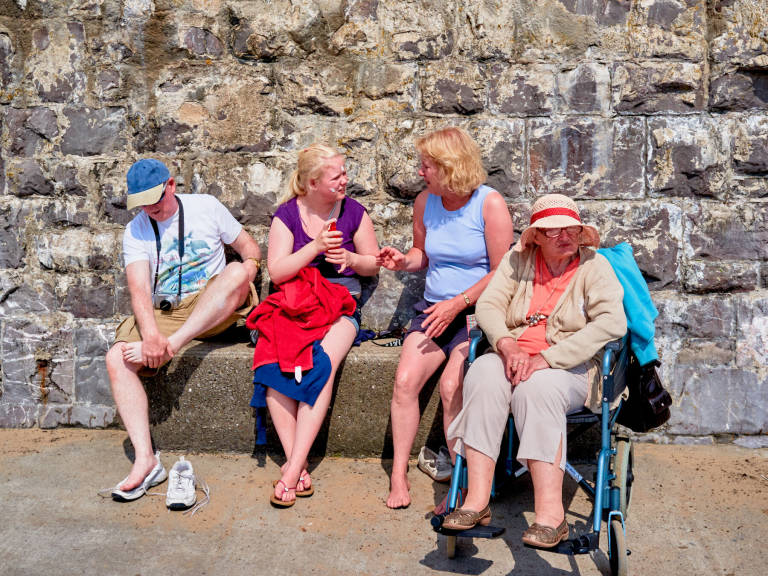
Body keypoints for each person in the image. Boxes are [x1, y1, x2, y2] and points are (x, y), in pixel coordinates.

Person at [442, 194, 627, 548]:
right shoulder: (518, 259)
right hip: (514, 356)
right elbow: (490, 305)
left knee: (536, 389)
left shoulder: (594, 266)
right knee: (481, 373)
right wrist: (507, 345)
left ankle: (550, 517)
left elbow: (612, 322)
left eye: (571, 228)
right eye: (552, 230)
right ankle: (476, 501)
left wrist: (549, 358)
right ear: (536, 237)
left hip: (569, 368)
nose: (564, 236)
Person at [106, 158, 261, 501]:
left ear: (171, 186)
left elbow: (250, 250)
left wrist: (250, 269)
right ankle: (146, 461)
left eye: (156, 200)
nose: (151, 209)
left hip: (213, 304)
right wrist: (149, 336)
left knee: (236, 272)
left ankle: (173, 346)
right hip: (167, 310)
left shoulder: (206, 207)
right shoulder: (136, 229)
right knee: (116, 358)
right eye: (143, 203)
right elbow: (139, 290)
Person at [378, 127, 514, 509]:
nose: (420, 173)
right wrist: (403, 261)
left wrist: (459, 303)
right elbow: (422, 253)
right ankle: (399, 475)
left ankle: (462, 485)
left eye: (427, 166)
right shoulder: (426, 201)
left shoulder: (489, 204)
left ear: (450, 167)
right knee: (405, 382)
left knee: (453, 387)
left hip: (475, 314)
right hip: (434, 310)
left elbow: (503, 271)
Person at [260, 143, 380, 507]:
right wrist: (313, 247)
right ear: (312, 183)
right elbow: (276, 271)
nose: (346, 180)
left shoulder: (354, 212)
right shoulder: (287, 215)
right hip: (294, 304)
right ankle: (300, 468)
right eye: (337, 176)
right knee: (273, 370)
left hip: (341, 305)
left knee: (321, 365)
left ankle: (292, 470)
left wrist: (351, 257)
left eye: (345, 173)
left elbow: (374, 264)